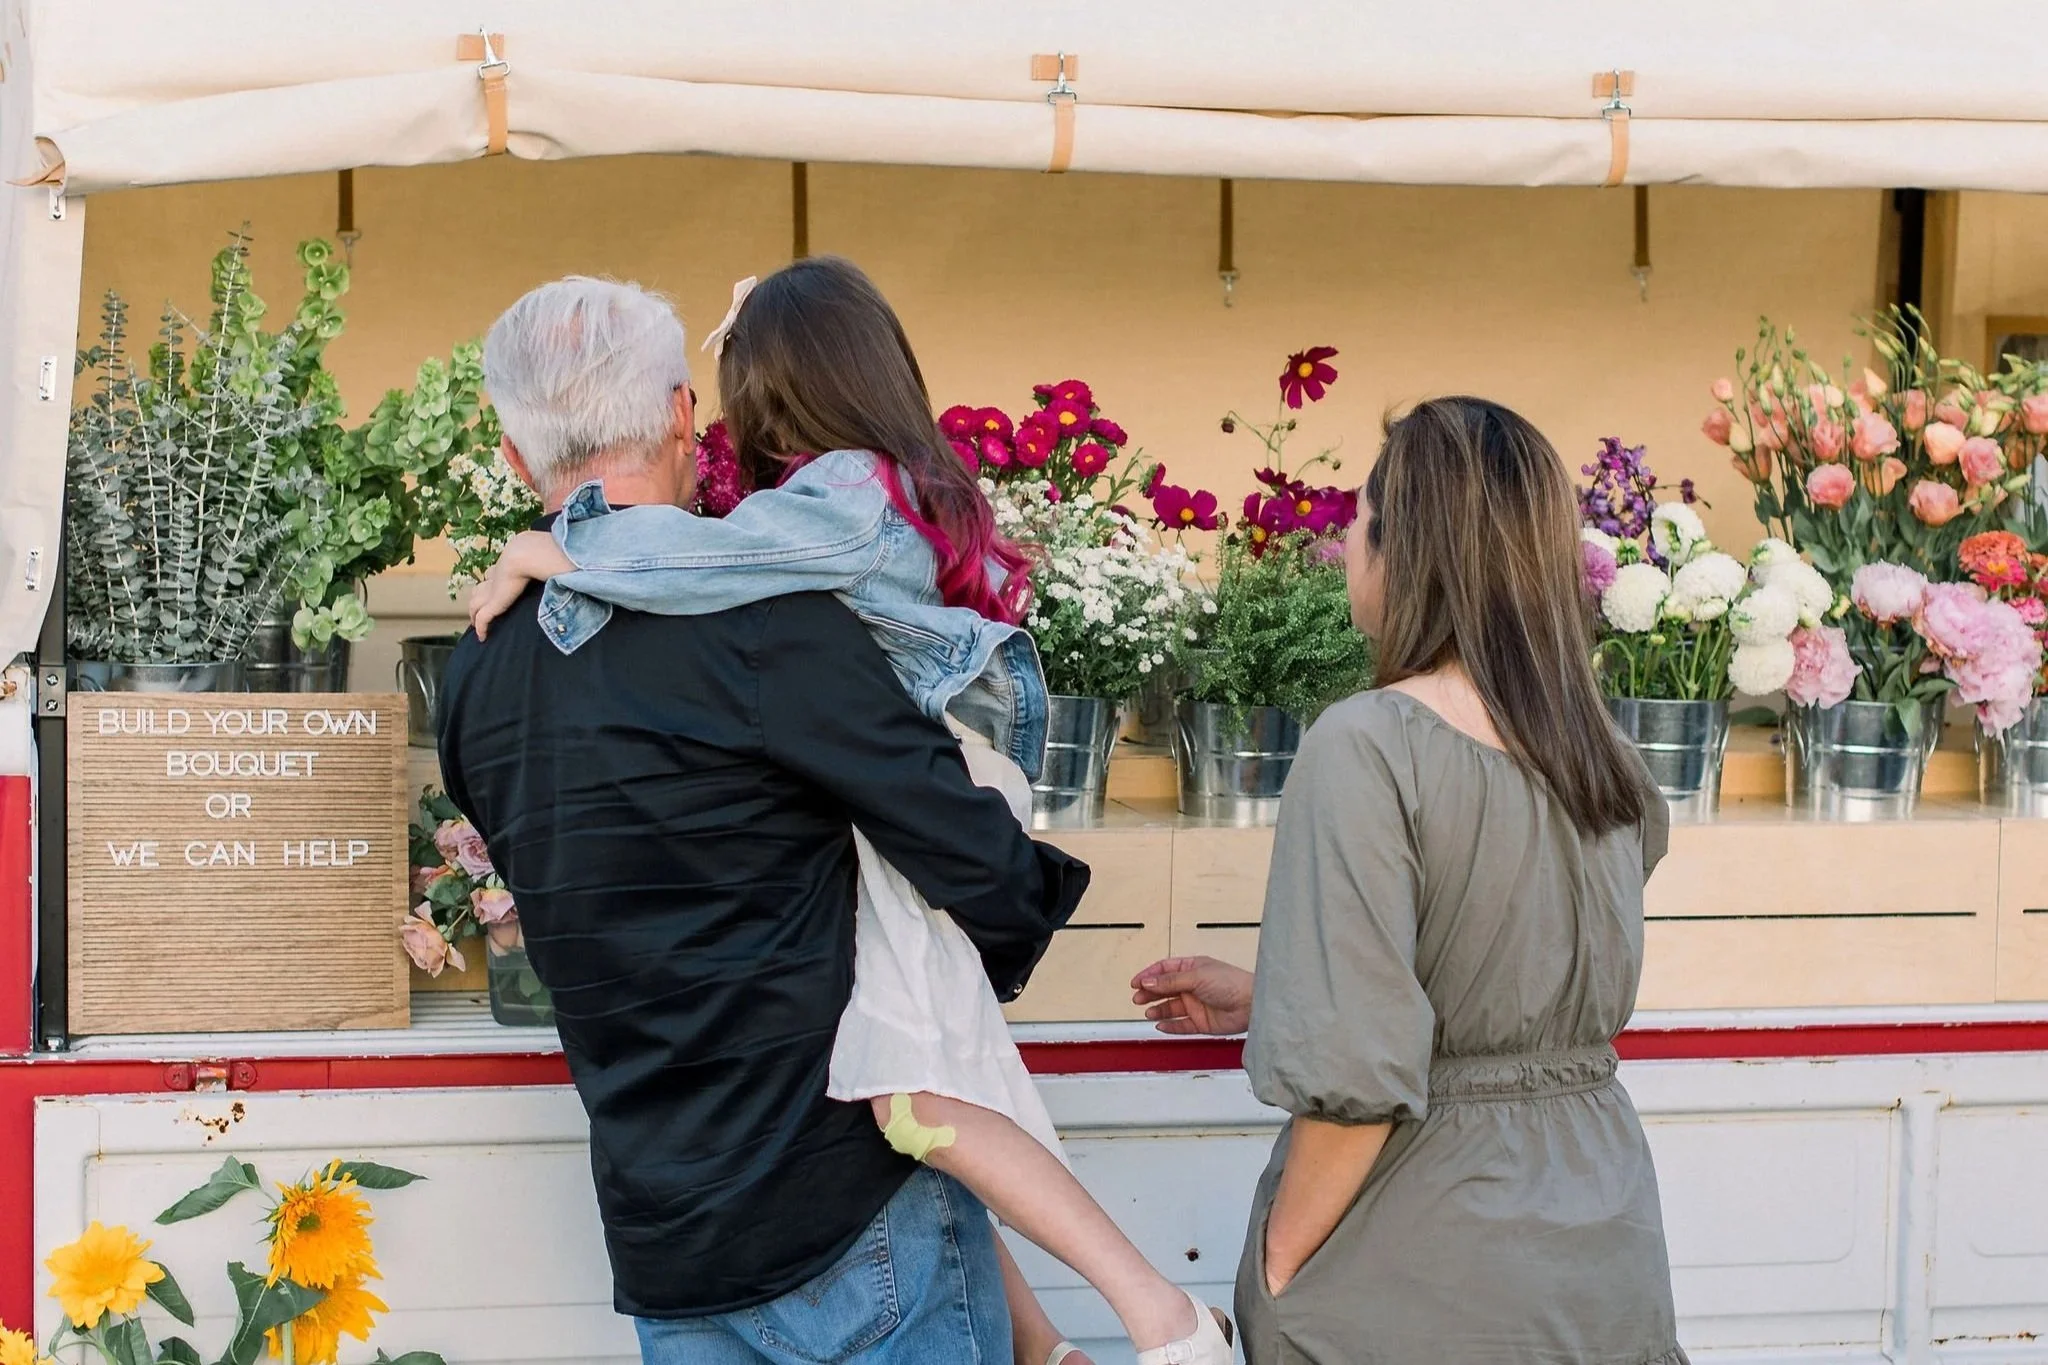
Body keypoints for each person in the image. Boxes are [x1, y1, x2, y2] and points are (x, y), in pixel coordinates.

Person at [465, 258, 1235, 1365]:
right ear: (686, 417)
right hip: (839, 1213)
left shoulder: (480, 672)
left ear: (511, 453)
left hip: (662, 1236)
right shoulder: (766, 624)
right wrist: (1017, 909)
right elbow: (963, 851)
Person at [1132, 396, 1689, 1365]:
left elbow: (1357, 1089)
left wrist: (1276, 1269)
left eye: (1357, 519)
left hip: (1421, 1269)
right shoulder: (1598, 757)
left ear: (1404, 546)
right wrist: (1277, 996)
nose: (1345, 544)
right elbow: (1503, 987)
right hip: (1606, 1254)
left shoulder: (1367, 745)